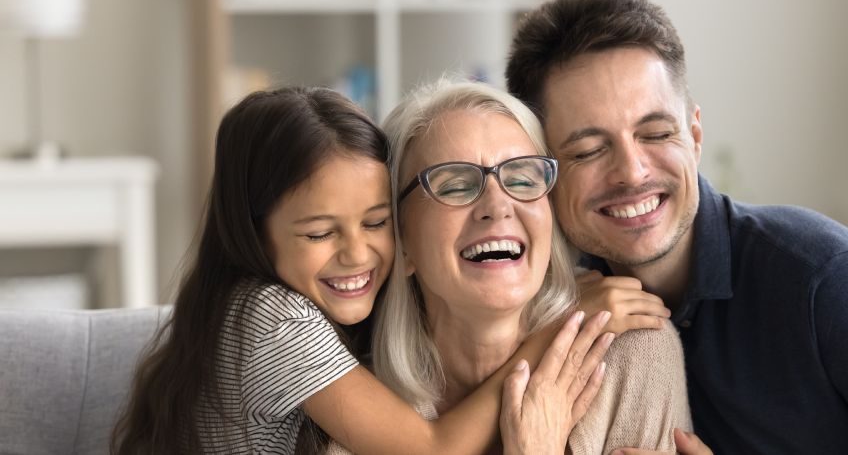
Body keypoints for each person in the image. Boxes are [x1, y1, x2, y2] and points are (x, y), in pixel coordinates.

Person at [505, 0, 848, 454]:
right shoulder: (533, 289)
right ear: (540, 170)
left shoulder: (822, 275)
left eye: (656, 134)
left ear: (694, 136)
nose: (632, 172)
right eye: (589, 150)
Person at [111, 86, 647, 454]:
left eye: (375, 223)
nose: (358, 254)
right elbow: (431, 449)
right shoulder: (273, 319)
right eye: (319, 233)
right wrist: (556, 335)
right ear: (253, 232)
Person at [339, 79, 691, 454]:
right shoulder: (353, 411)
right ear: (401, 240)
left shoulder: (634, 352)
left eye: (522, 180)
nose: (497, 205)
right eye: (455, 186)